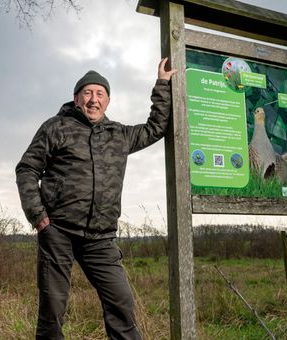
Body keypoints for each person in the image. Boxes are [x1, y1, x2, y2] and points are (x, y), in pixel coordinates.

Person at [15, 58, 177, 339]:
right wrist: (39, 217)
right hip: (59, 233)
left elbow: (155, 128)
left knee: (122, 304)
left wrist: (162, 83)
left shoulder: (119, 135)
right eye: (87, 93)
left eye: (99, 94)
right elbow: (27, 168)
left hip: (101, 238)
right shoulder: (56, 127)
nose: (93, 99)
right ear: (76, 98)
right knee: (53, 308)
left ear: (108, 101)